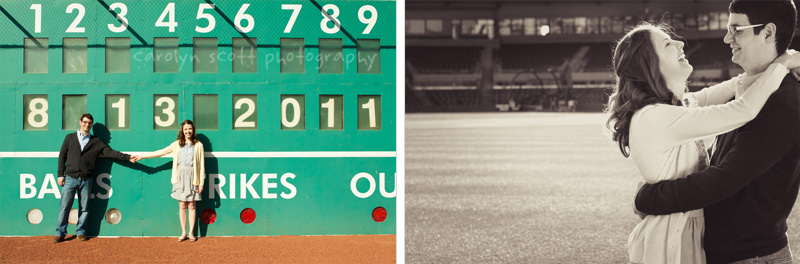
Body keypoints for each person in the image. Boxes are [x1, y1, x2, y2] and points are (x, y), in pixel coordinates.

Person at [606, 20, 800, 262]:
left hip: (686, 230)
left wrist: (768, 68)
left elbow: (733, 86)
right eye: (667, 43)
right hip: (670, 238)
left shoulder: (678, 107)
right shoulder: (655, 116)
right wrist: (781, 65)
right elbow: (743, 109)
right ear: (650, 64)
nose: (679, 42)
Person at [55, 113, 138, 243]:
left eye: (89, 123)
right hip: (70, 178)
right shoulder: (69, 138)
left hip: (87, 179)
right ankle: (60, 233)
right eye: (85, 122)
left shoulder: (96, 142)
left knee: (84, 208)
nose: (87, 125)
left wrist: (127, 157)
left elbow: (111, 153)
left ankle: (81, 232)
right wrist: (60, 175)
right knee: (65, 206)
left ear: (91, 125)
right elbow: (62, 157)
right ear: (80, 122)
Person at [137, 120, 205, 242]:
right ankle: (184, 232)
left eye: (190, 129)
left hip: (193, 177)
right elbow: (161, 152)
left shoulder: (199, 145)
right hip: (180, 177)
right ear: (182, 131)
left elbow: (202, 166)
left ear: (193, 130)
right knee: (182, 205)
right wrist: (143, 156)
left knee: (192, 205)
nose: (188, 131)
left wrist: (201, 183)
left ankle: (191, 233)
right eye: (185, 129)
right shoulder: (177, 144)